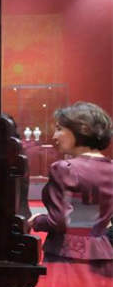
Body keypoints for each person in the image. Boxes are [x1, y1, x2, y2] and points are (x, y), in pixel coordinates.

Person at [29, 102, 112, 266]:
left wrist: (36, 220)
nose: (54, 136)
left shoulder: (64, 169)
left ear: (83, 129)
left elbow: (60, 222)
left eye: (59, 129)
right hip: (105, 255)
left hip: (66, 257)